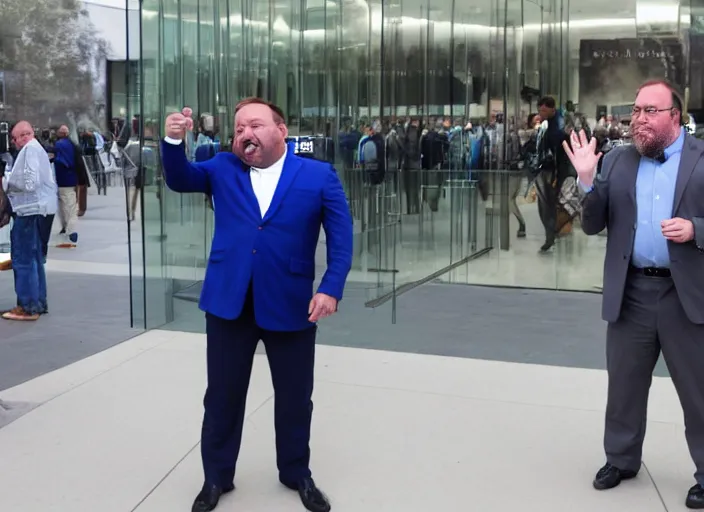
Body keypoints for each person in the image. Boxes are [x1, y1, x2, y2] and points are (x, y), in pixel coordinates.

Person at [161, 97, 353, 512]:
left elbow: (342, 238)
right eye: (238, 129)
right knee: (223, 397)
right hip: (229, 301)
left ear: (280, 131)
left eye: (254, 125)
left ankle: (296, 472)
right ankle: (216, 478)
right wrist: (173, 140)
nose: (245, 134)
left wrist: (331, 287)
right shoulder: (222, 168)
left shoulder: (319, 176)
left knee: (295, 397)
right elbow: (179, 178)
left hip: (291, 302)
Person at [565, 79, 704, 509]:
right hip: (632, 292)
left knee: (699, 390)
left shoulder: (701, 159)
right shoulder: (621, 161)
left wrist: (697, 229)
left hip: (687, 296)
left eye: (650, 111)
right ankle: (621, 459)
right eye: (636, 110)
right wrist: (587, 181)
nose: (639, 118)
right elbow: (592, 224)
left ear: (674, 117)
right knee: (624, 384)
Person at [1, 121, 57, 321]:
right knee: (34, 259)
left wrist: (7, 181)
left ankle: (27, 306)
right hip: (39, 210)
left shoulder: (30, 151)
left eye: (14, 139)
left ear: (23, 136)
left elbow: (29, 182)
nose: (14, 143)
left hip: (29, 211)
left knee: (23, 259)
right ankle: (37, 302)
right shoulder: (37, 149)